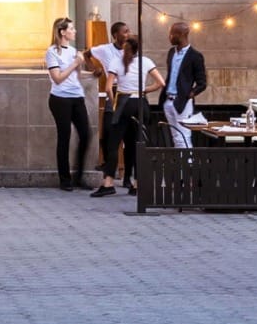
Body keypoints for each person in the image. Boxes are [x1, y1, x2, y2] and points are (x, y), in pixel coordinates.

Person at [87, 23, 164, 196]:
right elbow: (161, 83)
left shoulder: (116, 61)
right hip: (141, 103)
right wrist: (143, 91)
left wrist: (115, 102)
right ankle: (137, 183)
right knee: (138, 142)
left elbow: (108, 87)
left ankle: (108, 183)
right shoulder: (146, 61)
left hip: (123, 102)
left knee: (113, 143)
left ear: (125, 45)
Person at [44, 17, 91, 190]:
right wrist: (75, 63)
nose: (74, 31)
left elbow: (76, 75)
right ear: (62, 32)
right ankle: (65, 179)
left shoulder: (73, 51)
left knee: (86, 135)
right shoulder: (52, 52)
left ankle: (79, 176)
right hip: (60, 99)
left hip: (77, 97)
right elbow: (57, 78)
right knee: (64, 137)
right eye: (71, 28)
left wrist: (86, 66)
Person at [157, 21, 207, 150]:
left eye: (172, 33)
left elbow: (202, 83)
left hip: (182, 102)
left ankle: (186, 166)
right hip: (168, 100)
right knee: (175, 137)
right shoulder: (171, 52)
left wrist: (189, 94)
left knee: (183, 136)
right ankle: (180, 166)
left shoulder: (195, 56)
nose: (169, 36)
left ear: (181, 34)